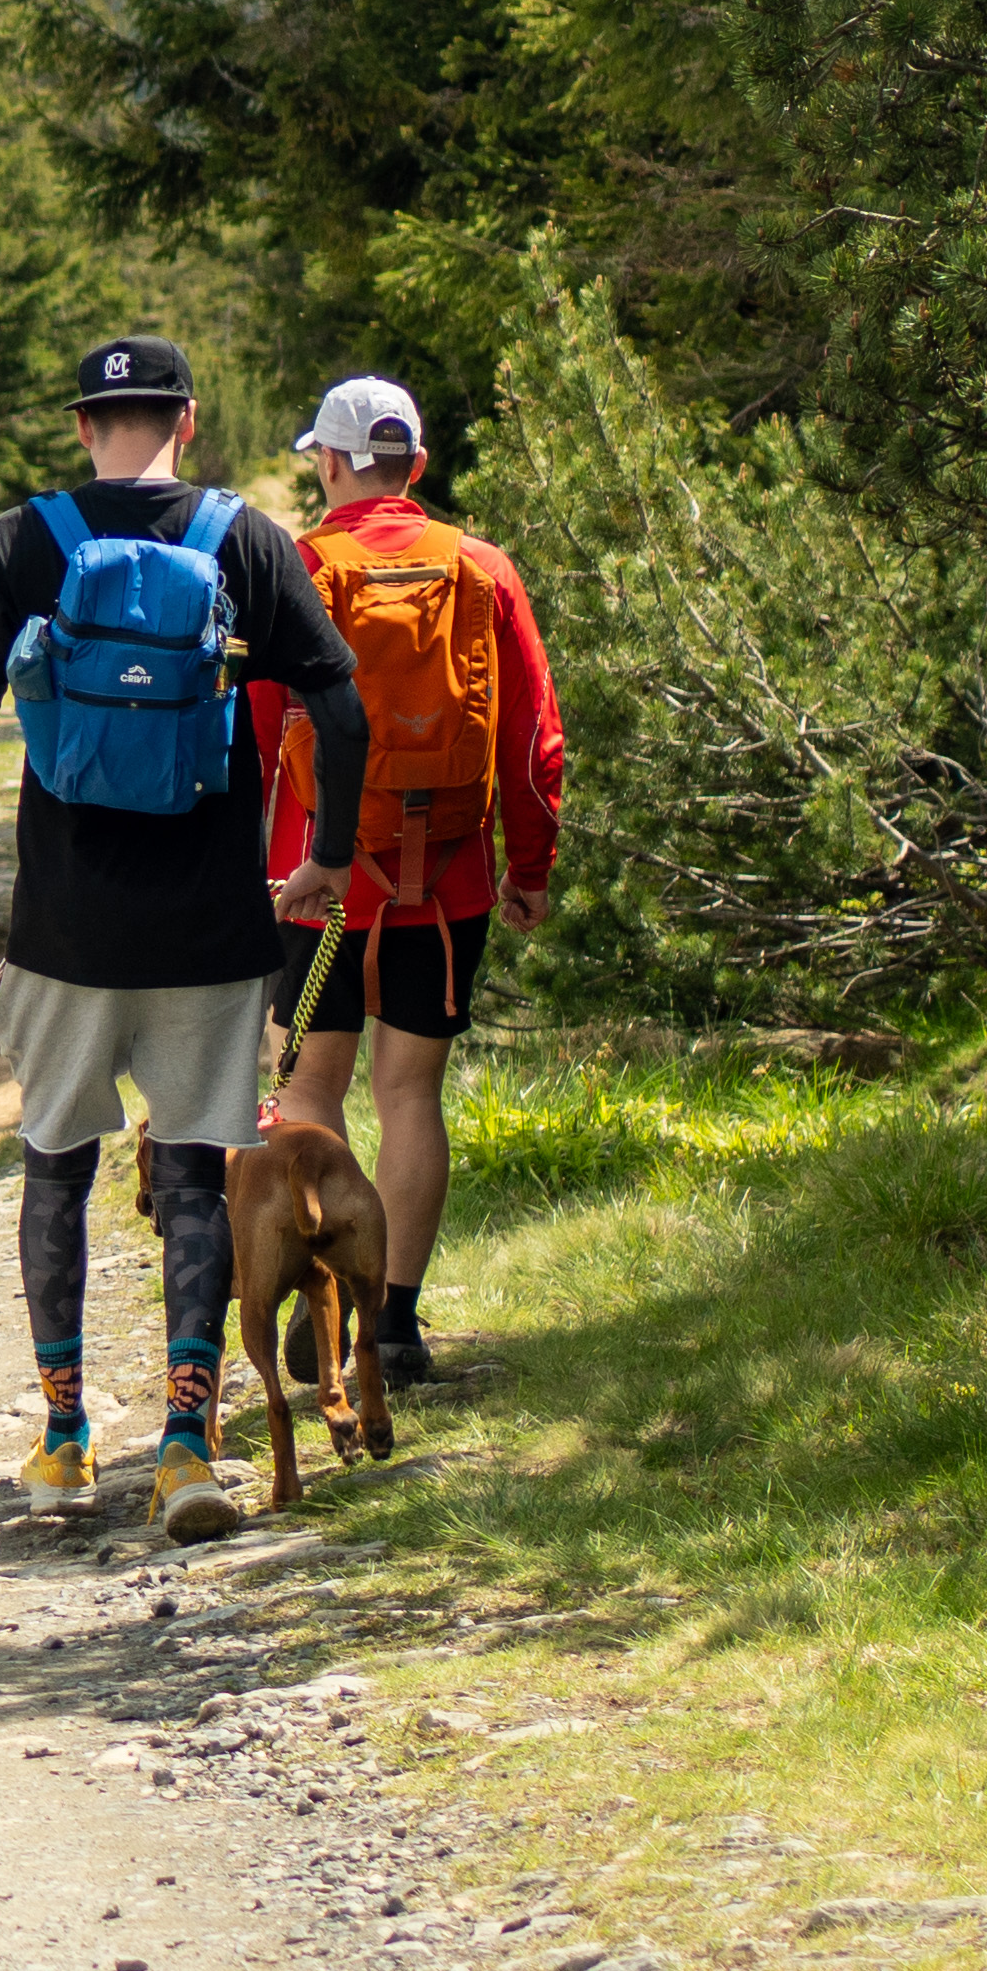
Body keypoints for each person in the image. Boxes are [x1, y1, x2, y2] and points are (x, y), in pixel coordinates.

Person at [0, 335, 368, 1539]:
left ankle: (65, 1440)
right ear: (189, 420)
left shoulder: (22, 541)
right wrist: (328, 851)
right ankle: (186, 1446)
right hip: (211, 929)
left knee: (57, 1165)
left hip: (65, 930)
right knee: (198, 1177)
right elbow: (341, 704)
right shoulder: (247, 539)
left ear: (82, 426)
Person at [256, 375, 566, 1389]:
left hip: (317, 877)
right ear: (417, 464)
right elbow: (534, 742)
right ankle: (394, 1325)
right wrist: (529, 868)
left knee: (310, 1086)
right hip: (449, 881)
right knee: (410, 1093)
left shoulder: (301, 568)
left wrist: (247, 871)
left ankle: (332, 1303)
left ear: (330, 463)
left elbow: (253, 733)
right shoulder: (483, 567)